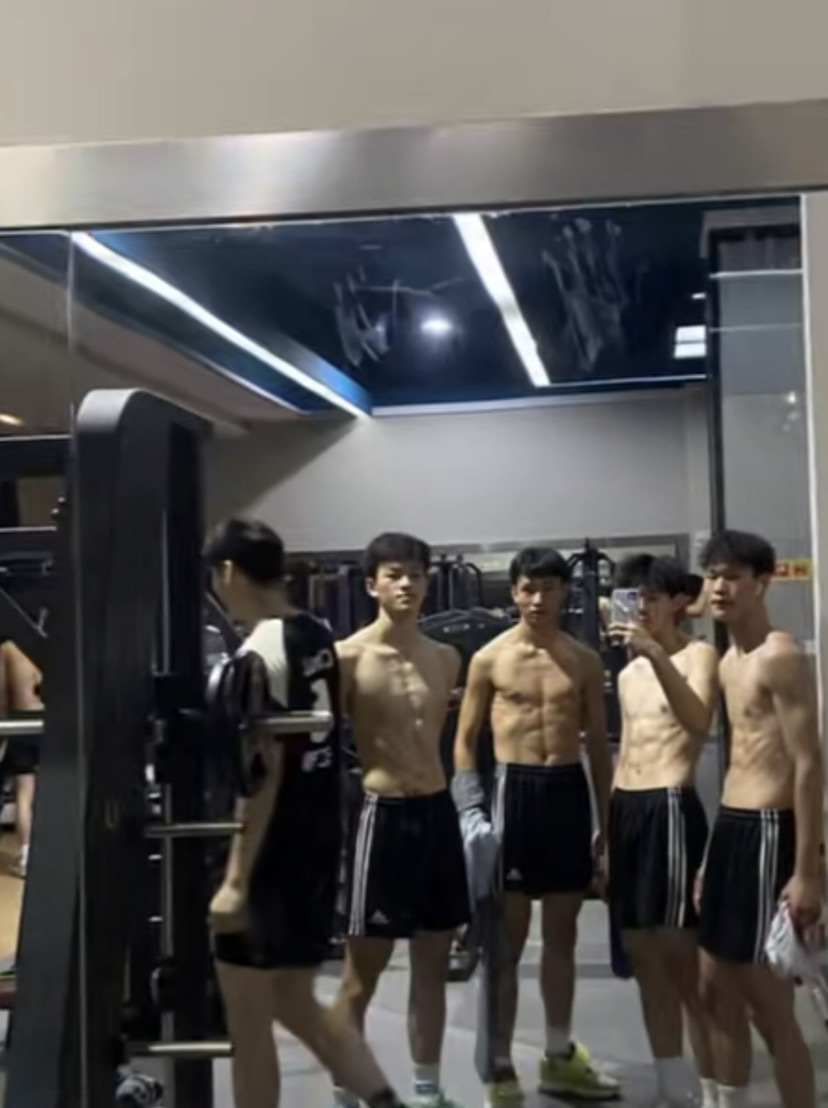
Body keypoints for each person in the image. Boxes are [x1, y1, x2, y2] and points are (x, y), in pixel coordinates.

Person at [205, 517, 408, 1108]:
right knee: (294, 1001)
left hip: (269, 854)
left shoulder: (259, 652)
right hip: (317, 839)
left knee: (248, 1025)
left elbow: (261, 773)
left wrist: (235, 880)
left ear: (228, 571)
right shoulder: (317, 634)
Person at [454, 546, 619, 1104]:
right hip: (513, 793)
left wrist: (605, 824)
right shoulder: (490, 659)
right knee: (507, 942)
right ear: (514, 592)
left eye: (548, 587)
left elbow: (599, 746)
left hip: (567, 792)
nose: (537, 599)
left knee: (562, 937)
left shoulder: (584, 661)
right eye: (528, 588)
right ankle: (501, 1066)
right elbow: (464, 741)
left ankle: (557, 1056)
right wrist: (470, 808)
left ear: (564, 592)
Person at [332, 532, 469, 1108]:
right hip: (380, 815)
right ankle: (348, 1093)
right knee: (361, 974)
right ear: (372, 584)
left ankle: (428, 1091)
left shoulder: (445, 657)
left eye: (415, 574)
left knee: (432, 966)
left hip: (436, 812)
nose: (406, 584)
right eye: (394, 574)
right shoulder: (346, 658)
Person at [697, 529, 822, 1108]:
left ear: (762, 583)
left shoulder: (780, 655)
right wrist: (710, 856)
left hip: (771, 832)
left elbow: (809, 764)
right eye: (712, 576)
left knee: (767, 1002)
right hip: (732, 829)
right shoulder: (729, 661)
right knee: (713, 986)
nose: (720, 587)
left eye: (733, 576)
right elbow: (739, 759)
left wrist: (807, 872)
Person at [608, 555, 718, 1107]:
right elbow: (627, 747)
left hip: (671, 805)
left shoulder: (699, 656)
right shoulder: (627, 674)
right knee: (643, 956)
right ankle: (674, 1085)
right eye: (634, 598)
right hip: (628, 810)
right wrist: (607, 831)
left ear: (678, 602)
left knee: (683, 961)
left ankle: (714, 1087)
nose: (642, 609)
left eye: (652, 598)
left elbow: (699, 721)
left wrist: (655, 654)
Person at [0, 641, 43, 877]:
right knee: (39, 791)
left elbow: (3, 693)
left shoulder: (7, 650)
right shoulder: (43, 646)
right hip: (43, 721)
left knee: (24, 793)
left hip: (18, 723)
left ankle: (27, 855)